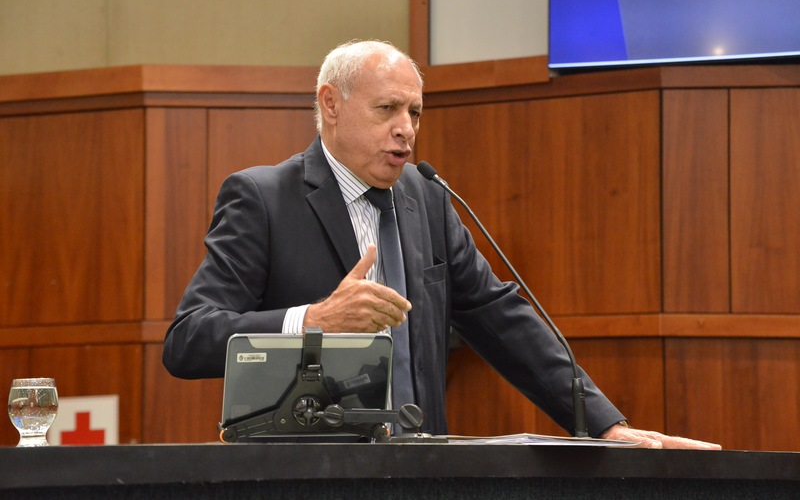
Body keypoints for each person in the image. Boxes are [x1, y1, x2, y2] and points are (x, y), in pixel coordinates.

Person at [162, 39, 720, 449]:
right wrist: (313, 320)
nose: (406, 128)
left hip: (424, 469)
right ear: (330, 104)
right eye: (387, 109)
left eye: (415, 112)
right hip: (307, 477)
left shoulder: (425, 197)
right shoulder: (264, 198)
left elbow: (500, 318)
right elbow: (188, 339)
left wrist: (603, 425)